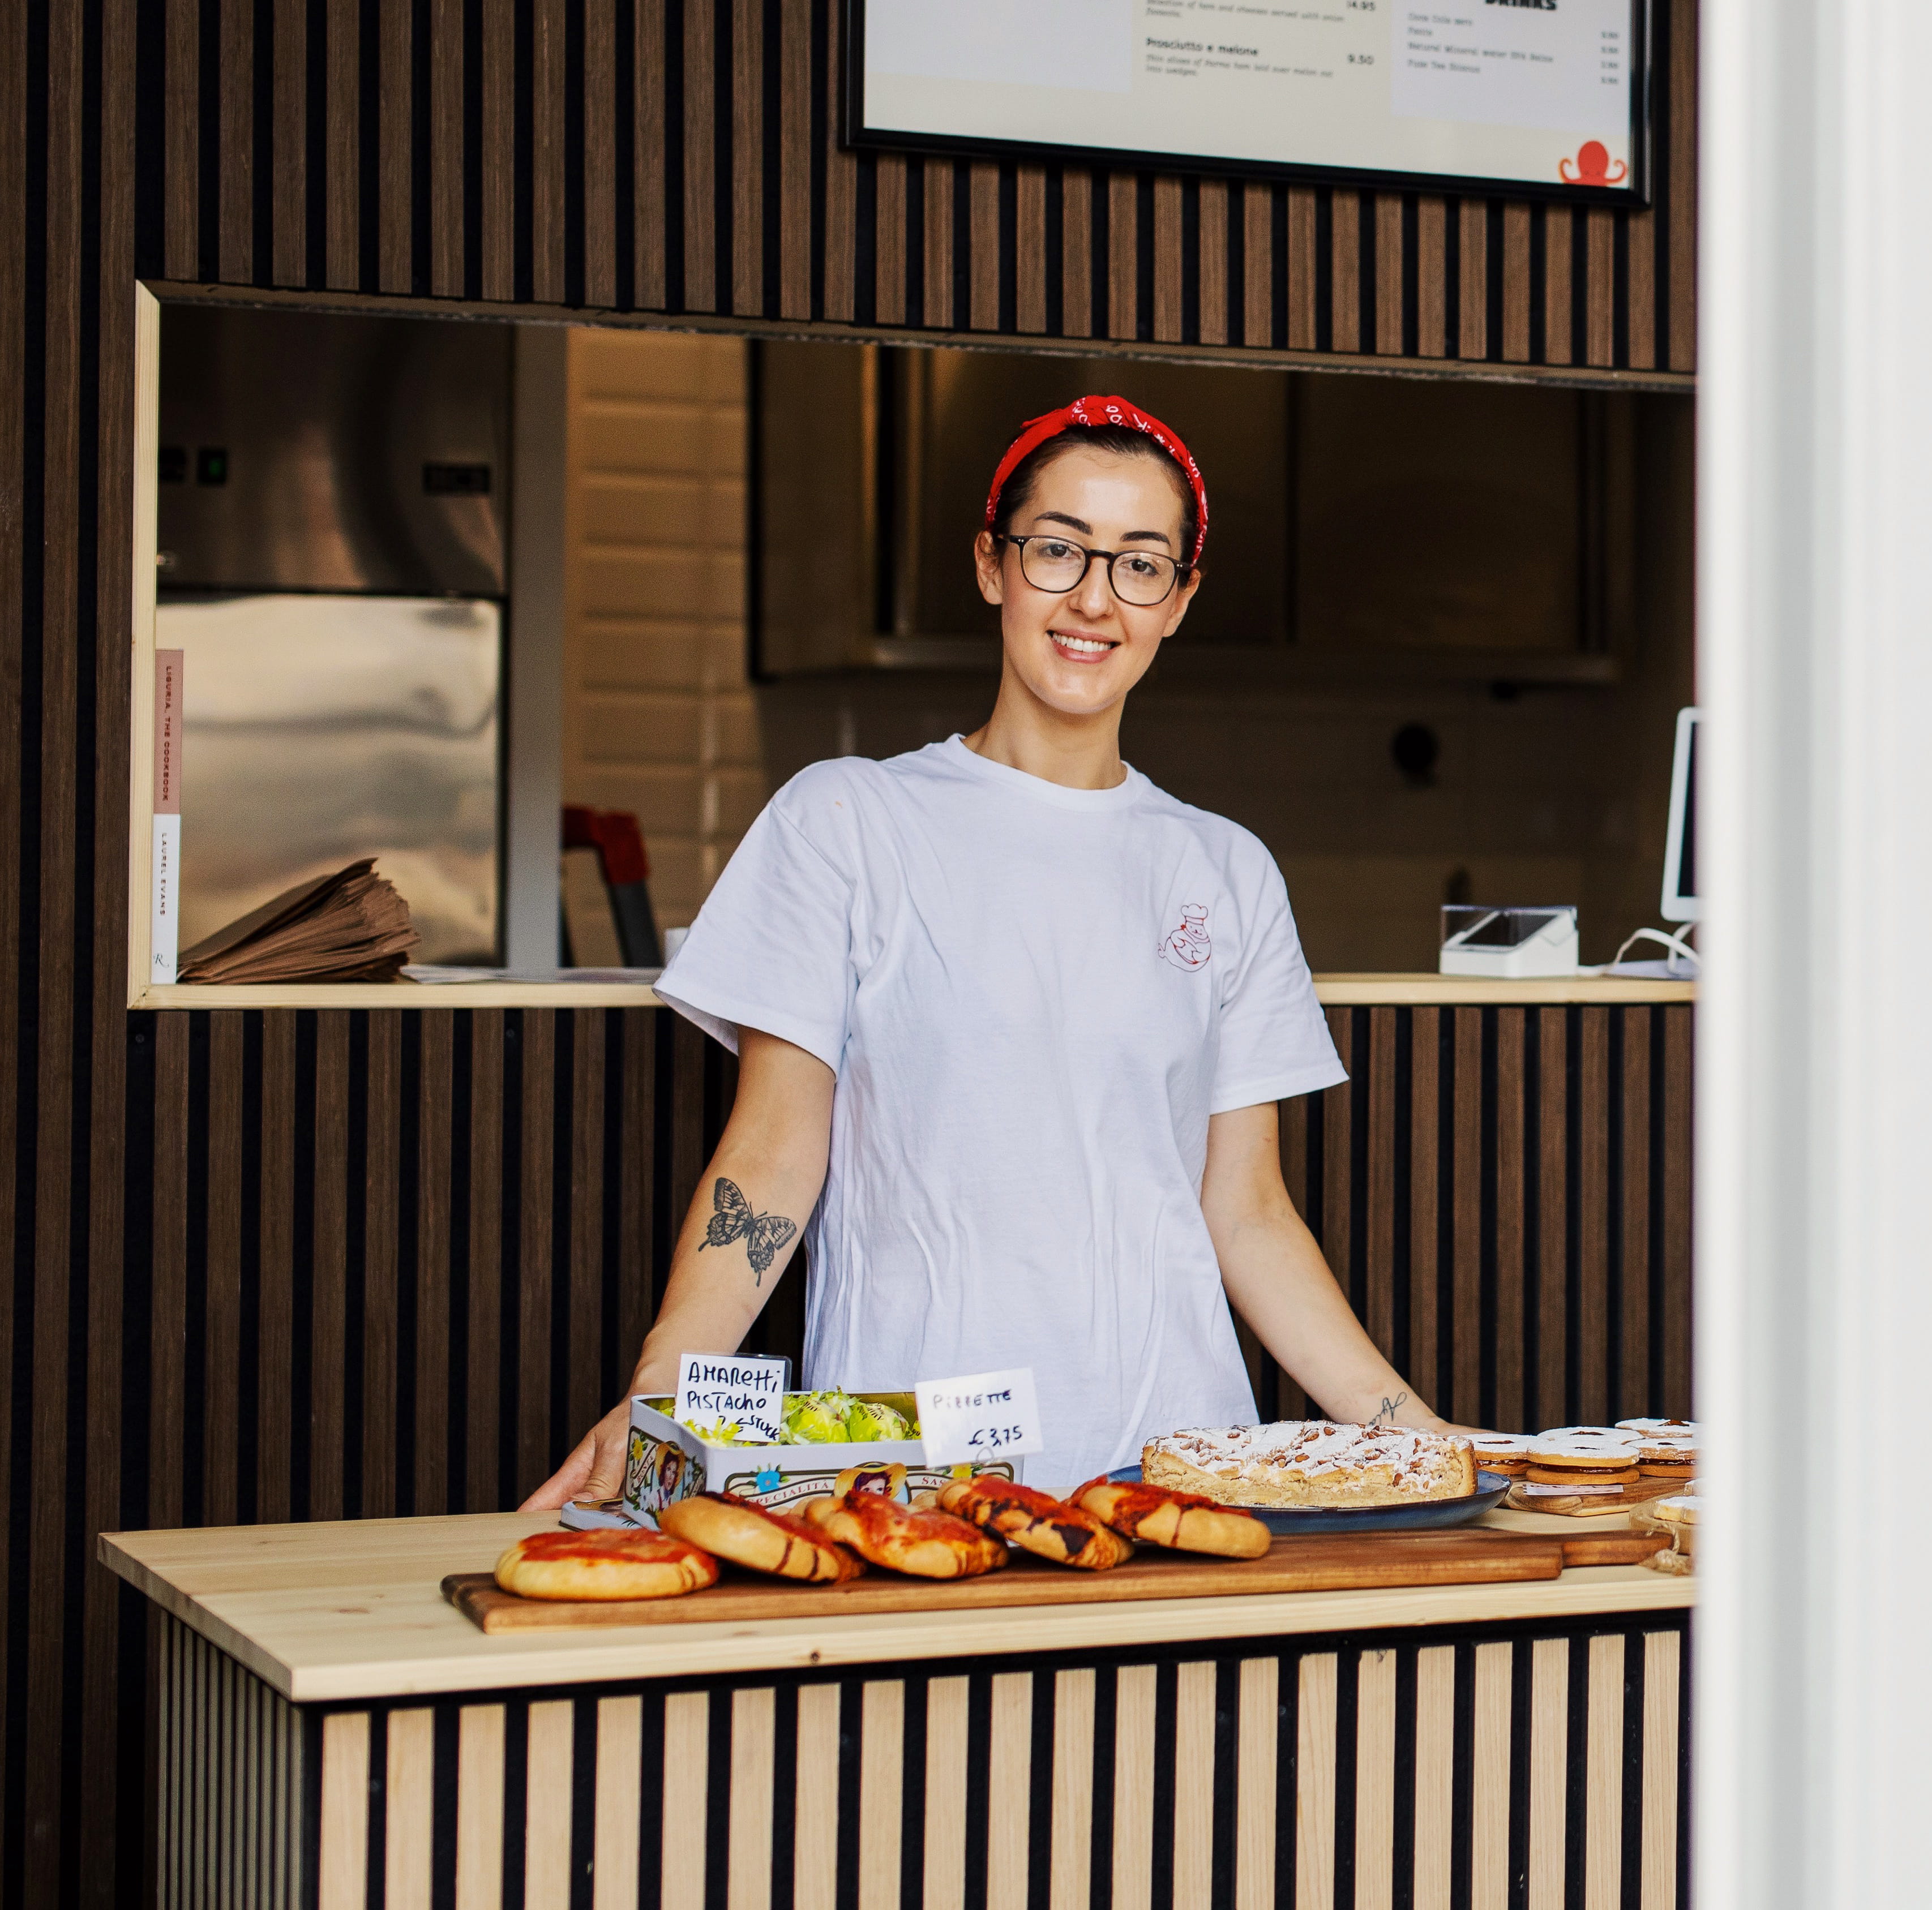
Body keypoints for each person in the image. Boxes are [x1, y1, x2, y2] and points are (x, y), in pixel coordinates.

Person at [526, 396, 1442, 1508]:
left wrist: (1420, 1437)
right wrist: (660, 1396)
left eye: (1141, 564)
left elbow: (1245, 1209)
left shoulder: (1225, 867)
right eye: (1059, 549)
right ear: (992, 565)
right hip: (916, 1477)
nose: (1095, 598)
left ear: (1180, 600)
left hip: (1178, 1477)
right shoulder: (848, 819)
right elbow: (772, 1154)